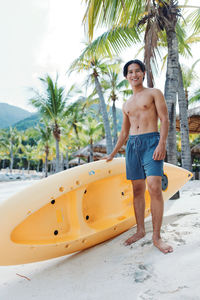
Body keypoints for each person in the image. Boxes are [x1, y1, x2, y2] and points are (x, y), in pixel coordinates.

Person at [106, 59, 173, 254]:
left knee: (154, 186)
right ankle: (141, 230)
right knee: (137, 190)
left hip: (151, 141)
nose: (134, 75)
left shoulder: (154, 93)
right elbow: (123, 133)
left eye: (137, 71)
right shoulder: (126, 104)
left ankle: (157, 237)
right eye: (130, 72)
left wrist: (161, 143)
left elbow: (165, 119)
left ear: (143, 73)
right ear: (126, 77)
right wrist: (112, 153)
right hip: (133, 146)